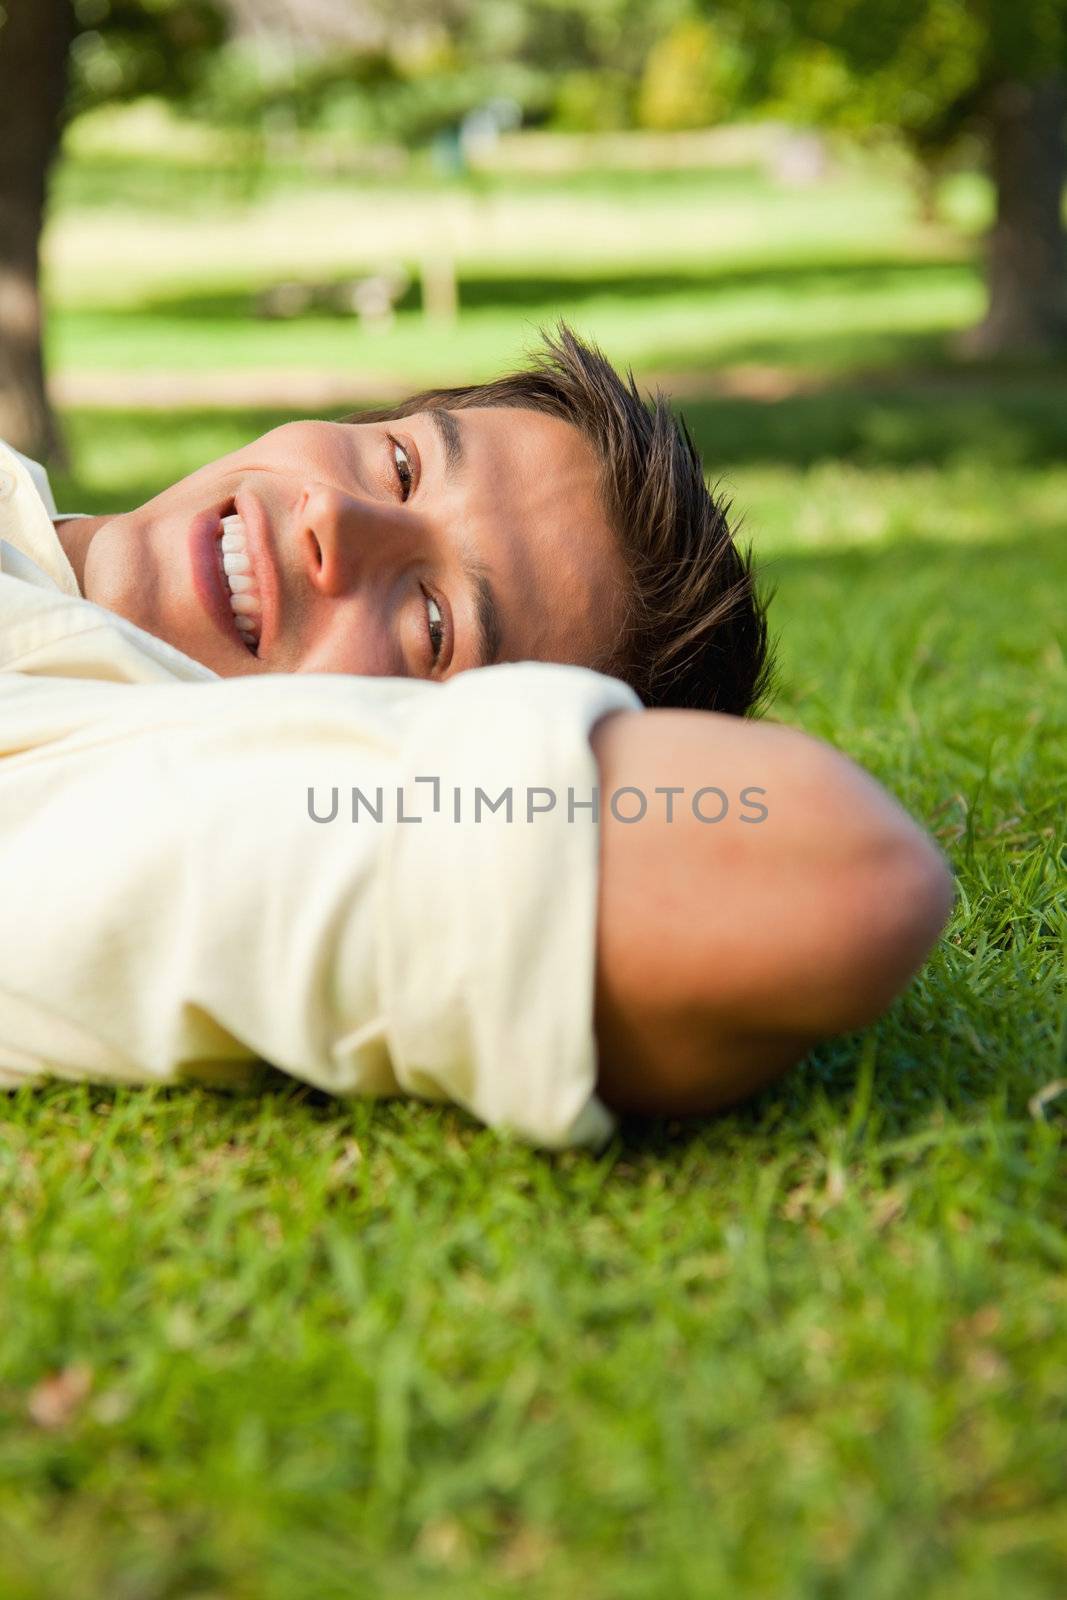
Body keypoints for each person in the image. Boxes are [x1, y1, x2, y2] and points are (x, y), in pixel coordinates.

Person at [0, 328, 952, 1148]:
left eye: (433, 625)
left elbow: (825, 873)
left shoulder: (117, 797)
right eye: (400, 464)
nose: (336, 517)